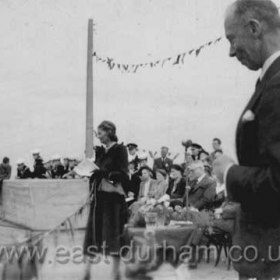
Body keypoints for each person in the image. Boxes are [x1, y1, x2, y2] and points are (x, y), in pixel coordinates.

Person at [213, 1, 280, 278]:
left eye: (232, 39)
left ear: (253, 28)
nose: (230, 52)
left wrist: (229, 173)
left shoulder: (277, 85)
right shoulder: (270, 80)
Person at [83, 121, 129, 280]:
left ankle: (115, 274)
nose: (98, 136)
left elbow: (123, 174)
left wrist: (104, 173)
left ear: (109, 132)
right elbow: (97, 171)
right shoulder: (102, 151)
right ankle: (87, 273)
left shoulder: (120, 150)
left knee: (114, 235)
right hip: (99, 199)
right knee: (93, 234)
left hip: (113, 201)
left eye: (100, 133)